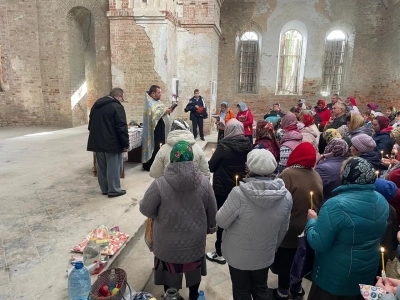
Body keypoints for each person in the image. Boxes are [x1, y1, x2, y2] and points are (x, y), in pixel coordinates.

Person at [139, 141, 217, 300]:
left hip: (168, 245)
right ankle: (194, 295)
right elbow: (212, 209)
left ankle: (171, 295)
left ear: (172, 158)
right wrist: (210, 227)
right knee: (193, 270)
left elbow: (145, 209)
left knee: (169, 273)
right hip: (195, 243)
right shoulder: (204, 181)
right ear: (192, 158)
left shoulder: (160, 183)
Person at [306, 157, 389, 300]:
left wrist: (312, 222)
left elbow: (318, 243)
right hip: (366, 271)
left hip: (335, 276)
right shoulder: (381, 200)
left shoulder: (335, 205)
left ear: (346, 175)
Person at [216, 149, 292, 300]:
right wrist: (274, 246)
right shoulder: (286, 196)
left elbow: (221, 221)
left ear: (249, 168)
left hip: (238, 256)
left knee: (241, 290)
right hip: (264, 252)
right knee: (261, 287)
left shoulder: (238, 194)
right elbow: (284, 229)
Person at [273, 142, 323, 300]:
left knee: (285, 259)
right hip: (308, 225)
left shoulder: (288, 174)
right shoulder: (316, 175)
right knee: (300, 257)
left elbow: (277, 199)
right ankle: (297, 287)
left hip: (290, 226)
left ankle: (282, 290)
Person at [207, 119, 253, 264]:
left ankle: (220, 252)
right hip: (241, 187)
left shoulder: (224, 146)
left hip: (222, 189)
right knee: (238, 218)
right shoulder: (248, 145)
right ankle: (235, 249)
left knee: (222, 218)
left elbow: (211, 167)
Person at [87, 88, 129, 198]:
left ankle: (105, 189)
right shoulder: (117, 106)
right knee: (114, 166)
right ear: (118, 96)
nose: (122, 100)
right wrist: (125, 143)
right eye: (122, 98)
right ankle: (114, 190)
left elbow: (90, 124)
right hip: (111, 142)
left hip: (97, 141)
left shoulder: (96, 105)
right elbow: (121, 127)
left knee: (101, 167)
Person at [142, 85, 172, 171]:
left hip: (161, 129)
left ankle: (160, 164)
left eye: (160, 92)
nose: (160, 94)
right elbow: (154, 114)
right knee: (156, 147)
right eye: (158, 93)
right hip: (154, 131)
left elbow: (162, 112)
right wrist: (165, 111)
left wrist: (168, 111)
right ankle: (151, 165)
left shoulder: (157, 102)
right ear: (153, 93)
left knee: (161, 146)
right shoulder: (149, 103)